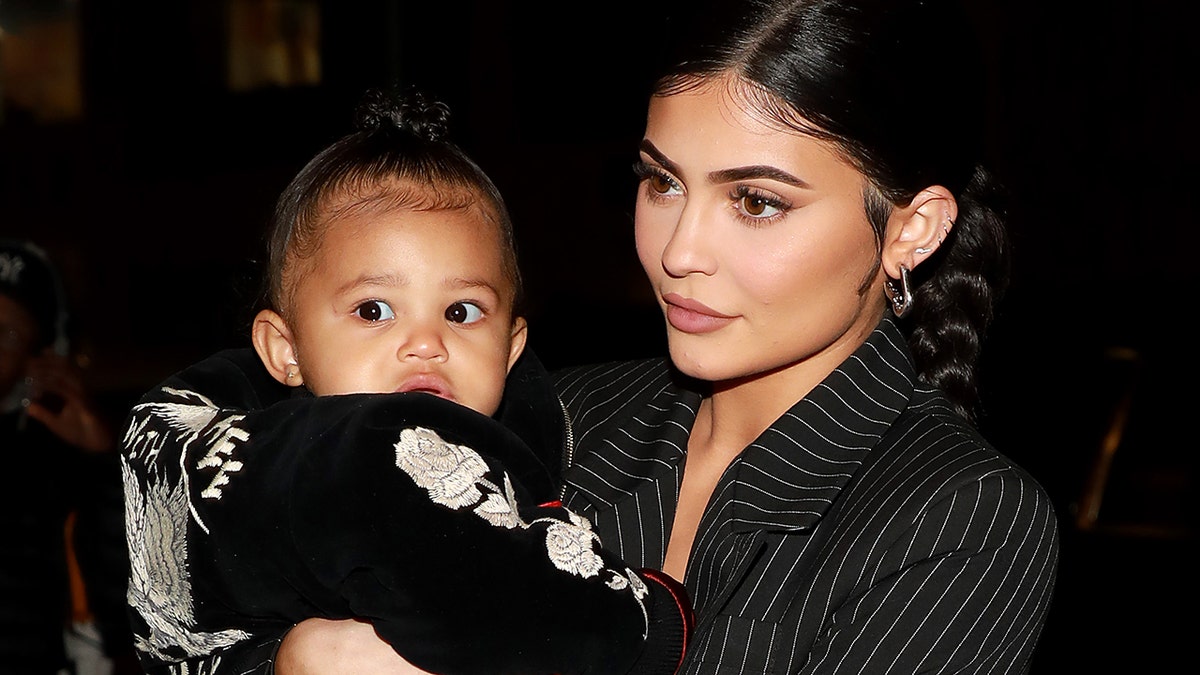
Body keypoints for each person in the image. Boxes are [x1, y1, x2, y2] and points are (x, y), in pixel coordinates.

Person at [283, 0, 1062, 672]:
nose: (678, 251)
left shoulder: (964, 518)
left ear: (911, 229)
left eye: (756, 201)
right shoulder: (557, 416)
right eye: (662, 182)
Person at [118, 87, 691, 675]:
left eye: (462, 311)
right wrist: (644, 625)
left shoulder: (552, 439)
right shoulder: (289, 463)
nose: (426, 342)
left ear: (511, 347)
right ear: (285, 350)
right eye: (374, 311)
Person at [0, 239, 137, 675]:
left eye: (4, 333)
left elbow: (130, 612)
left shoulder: (55, 469)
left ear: (40, 359)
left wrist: (104, 465)